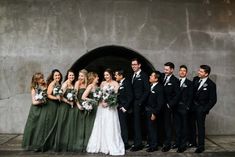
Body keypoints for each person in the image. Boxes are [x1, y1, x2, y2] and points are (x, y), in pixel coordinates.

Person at [86, 69, 125, 156]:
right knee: (102, 125)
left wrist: (108, 103)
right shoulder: (102, 83)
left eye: (107, 75)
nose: (106, 77)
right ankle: (102, 145)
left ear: (111, 75)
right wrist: (101, 102)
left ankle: (111, 145)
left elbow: (115, 97)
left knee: (110, 125)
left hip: (110, 108)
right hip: (101, 108)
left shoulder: (115, 84)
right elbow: (99, 94)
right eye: (104, 75)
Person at [191, 65, 217, 153]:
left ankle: (201, 146)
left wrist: (205, 109)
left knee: (200, 128)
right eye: (199, 70)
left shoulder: (211, 84)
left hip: (201, 109)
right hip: (192, 108)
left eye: (201, 71)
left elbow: (213, 100)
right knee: (191, 125)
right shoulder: (195, 79)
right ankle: (193, 142)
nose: (199, 72)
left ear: (206, 74)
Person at [22, 72, 47, 151]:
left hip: (44, 108)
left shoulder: (45, 85)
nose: (42, 79)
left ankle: (39, 144)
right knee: (33, 126)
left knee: (41, 127)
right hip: (36, 109)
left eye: (42, 77)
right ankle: (31, 144)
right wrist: (42, 101)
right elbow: (34, 102)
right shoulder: (34, 88)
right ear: (36, 80)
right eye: (40, 78)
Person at [130, 58, 150, 151]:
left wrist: (140, 102)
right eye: (132, 65)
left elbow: (147, 90)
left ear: (139, 65)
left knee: (138, 124)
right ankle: (136, 142)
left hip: (139, 104)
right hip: (133, 103)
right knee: (135, 123)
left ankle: (138, 144)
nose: (133, 66)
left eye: (135, 64)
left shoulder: (144, 75)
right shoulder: (133, 75)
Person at [41, 69, 63, 151]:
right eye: (56, 75)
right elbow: (48, 95)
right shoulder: (52, 83)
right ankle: (46, 143)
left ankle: (52, 142)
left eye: (58, 75)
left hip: (57, 105)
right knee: (51, 123)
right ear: (53, 77)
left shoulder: (58, 83)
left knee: (55, 123)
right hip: (52, 105)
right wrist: (57, 98)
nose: (57, 76)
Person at [54, 69, 76, 151]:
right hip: (64, 106)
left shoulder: (72, 84)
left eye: (73, 75)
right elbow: (60, 96)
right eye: (70, 75)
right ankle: (60, 145)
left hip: (70, 107)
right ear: (67, 76)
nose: (71, 77)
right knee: (63, 124)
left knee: (68, 125)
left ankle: (67, 144)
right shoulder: (65, 84)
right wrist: (68, 102)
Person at [161, 62, 180, 152]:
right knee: (162, 125)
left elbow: (177, 95)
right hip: (160, 106)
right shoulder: (162, 78)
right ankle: (161, 142)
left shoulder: (175, 81)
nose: (165, 71)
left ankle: (167, 144)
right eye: (164, 69)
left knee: (168, 125)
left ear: (172, 70)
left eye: (167, 70)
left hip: (169, 107)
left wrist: (170, 104)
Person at [68, 69, 88, 152]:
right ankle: (77, 145)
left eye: (82, 76)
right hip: (78, 107)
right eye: (79, 76)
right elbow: (74, 95)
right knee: (78, 126)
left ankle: (83, 145)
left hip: (85, 107)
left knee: (84, 127)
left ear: (85, 77)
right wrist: (78, 105)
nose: (80, 77)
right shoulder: (77, 83)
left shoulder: (87, 84)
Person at [174, 65, 193, 153]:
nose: (182, 72)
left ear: (186, 72)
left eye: (184, 71)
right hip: (175, 108)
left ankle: (183, 145)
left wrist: (187, 107)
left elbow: (190, 97)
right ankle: (177, 142)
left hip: (184, 108)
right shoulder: (175, 82)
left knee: (184, 127)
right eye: (181, 70)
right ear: (178, 72)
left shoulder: (189, 83)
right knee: (177, 127)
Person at [145, 71, 164, 152]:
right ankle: (150, 143)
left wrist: (154, 113)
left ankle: (154, 146)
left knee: (153, 129)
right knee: (149, 129)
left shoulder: (159, 88)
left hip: (153, 112)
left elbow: (160, 103)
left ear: (156, 79)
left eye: (152, 76)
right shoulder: (151, 86)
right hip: (148, 110)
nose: (150, 76)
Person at [115, 69, 133, 150]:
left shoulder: (127, 83)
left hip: (124, 108)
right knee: (121, 125)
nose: (115, 76)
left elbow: (130, 96)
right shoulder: (120, 83)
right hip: (119, 107)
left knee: (124, 126)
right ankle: (122, 141)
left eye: (116, 75)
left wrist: (125, 107)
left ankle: (125, 143)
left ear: (121, 76)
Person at [81, 72, 99, 149]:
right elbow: (83, 97)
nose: (98, 78)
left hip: (98, 107)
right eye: (97, 77)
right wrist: (93, 100)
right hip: (93, 107)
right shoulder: (90, 86)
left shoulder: (97, 86)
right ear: (93, 78)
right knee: (91, 125)